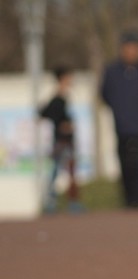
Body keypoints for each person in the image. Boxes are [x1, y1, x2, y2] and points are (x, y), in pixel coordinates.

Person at [100, 30, 138, 209]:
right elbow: (104, 94)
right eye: (128, 48)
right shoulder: (112, 71)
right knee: (125, 163)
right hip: (121, 125)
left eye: (135, 48)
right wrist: (120, 111)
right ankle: (129, 200)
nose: (132, 52)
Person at [39, 66, 83, 214]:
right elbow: (45, 113)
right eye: (68, 77)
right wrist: (62, 125)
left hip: (65, 140)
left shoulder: (63, 96)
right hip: (61, 140)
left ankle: (67, 202)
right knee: (59, 171)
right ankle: (58, 202)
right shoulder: (58, 97)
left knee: (65, 171)